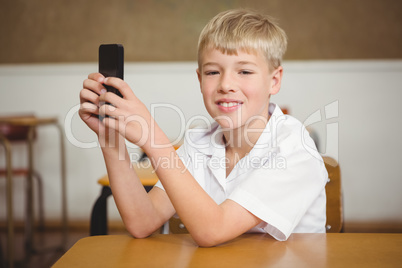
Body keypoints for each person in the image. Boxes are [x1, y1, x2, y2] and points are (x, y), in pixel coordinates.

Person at [79, 8, 327, 247]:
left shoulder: (294, 149)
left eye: (244, 71)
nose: (226, 84)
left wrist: (153, 139)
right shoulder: (200, 143)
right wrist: (110, 139)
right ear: (199, 80)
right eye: (212, 72)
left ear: (274, 81)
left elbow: (213, 230)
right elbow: (143, 221)